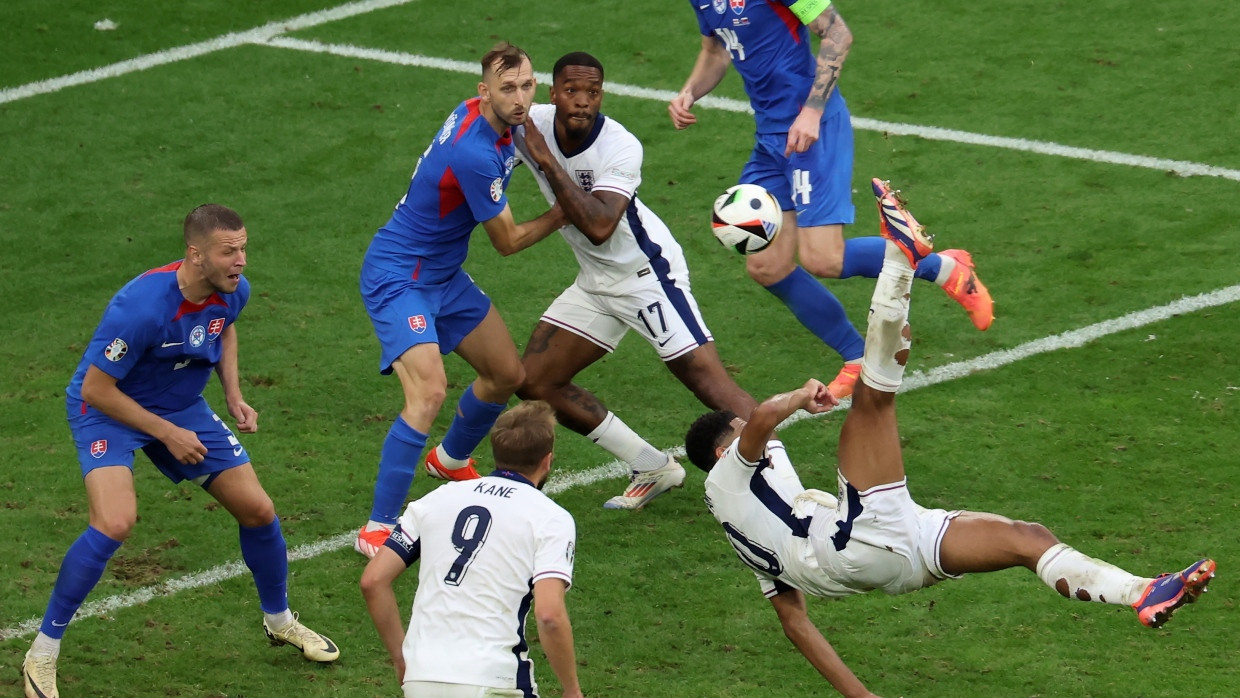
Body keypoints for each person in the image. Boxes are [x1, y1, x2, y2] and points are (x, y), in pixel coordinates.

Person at [682, 182, 1215, 697]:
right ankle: (900, 257)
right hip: (853, 543)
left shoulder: (746, 534)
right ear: (723, 452)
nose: (763, 442)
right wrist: (798, 397)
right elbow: (761, 421)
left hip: (891, 557)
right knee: (873, 395)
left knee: (1027, 539)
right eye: (739, 435)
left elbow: (795, 624)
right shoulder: (729, 477)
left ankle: (1143, 592)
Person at [21, 205, 339, 698]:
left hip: (180, 404)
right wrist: (166, 434)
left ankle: (279, 621)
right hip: (108, 409)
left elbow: (225, 327)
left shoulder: (232, 290)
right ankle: (42, 653)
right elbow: (96, 389)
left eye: (244, 247)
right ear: (195, 255)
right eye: (229, 251)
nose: (242, 260)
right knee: (115, 522)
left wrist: (232, 394)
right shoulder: (142, 307)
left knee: (258, 509)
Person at [669, 0, 994, 400]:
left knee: (824, 258)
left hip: (813, 128)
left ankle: (947, 268)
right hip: (771, 137)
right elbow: (714, 50)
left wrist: (811, 111)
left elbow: (838, 32)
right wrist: (688, 92)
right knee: (766, 265)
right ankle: (857, 356)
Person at [511, 51, 758, 510]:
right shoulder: (530, 123)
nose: (583, 102)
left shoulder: (620, 146)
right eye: (572, 91)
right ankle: (650, 464)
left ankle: (783, 479)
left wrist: (545, 160)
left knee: (707, 383)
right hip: (595, 280)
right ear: (553, 93)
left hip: (647, 275)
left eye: (593, 92)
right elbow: (480, 114)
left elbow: (601, 225)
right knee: (535, 380)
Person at [356, 42, 570, 557]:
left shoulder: (478, 113)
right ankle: (377, 527)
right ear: (484, 92)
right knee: (428, 392)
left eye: (526, 86)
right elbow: (509, 241)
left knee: (506, 375)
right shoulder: (475, 153)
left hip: (442, 274)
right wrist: (571, 207)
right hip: (398, 277)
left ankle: (450, 461)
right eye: (507, 89)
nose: (520, 99)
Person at [361, 400, 583, 698]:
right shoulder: (550, 518)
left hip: (422, 678)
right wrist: (572, 690)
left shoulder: (436, 499)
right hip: (493, 679)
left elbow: (373, 581)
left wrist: (402, 658)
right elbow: (549, 615)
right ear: (547, 460)